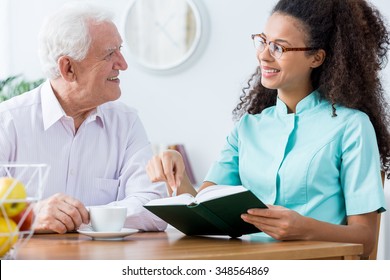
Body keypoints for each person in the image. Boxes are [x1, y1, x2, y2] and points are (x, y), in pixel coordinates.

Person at [146, 0, 389, 258]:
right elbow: (205, 212)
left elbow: (365, 237)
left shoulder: (351, 126)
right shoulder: (247, 128)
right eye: (263, 41)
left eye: (278, 47)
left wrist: (304, 228)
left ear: (316, 57)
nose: (263, 55)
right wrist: (178, 175)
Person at [0, 3, 167, 233]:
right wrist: (31, 216)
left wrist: (82, 216)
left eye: (120, 49)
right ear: (68, 68)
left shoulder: (126, 123)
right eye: (110, 54)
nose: (123, 64)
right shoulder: (7, 122)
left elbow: (154, 207)